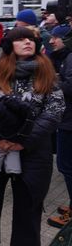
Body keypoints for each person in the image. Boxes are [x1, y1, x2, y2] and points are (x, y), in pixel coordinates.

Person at [0, 27, 65, 246]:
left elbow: (54, 109)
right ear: (10, 45)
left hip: (32, 150)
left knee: (29, 209)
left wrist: (24, 141)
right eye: (20, 39)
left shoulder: (45, 70)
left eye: (31, 39)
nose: (27, 42)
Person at [47, 25, 72, 228]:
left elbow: (69, 87)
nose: (51, 41)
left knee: (67, 166)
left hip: (69, 122)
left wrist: (51, 82)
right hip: (67, 120)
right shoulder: (65, 57)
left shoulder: (71, 57)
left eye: (56, 37)